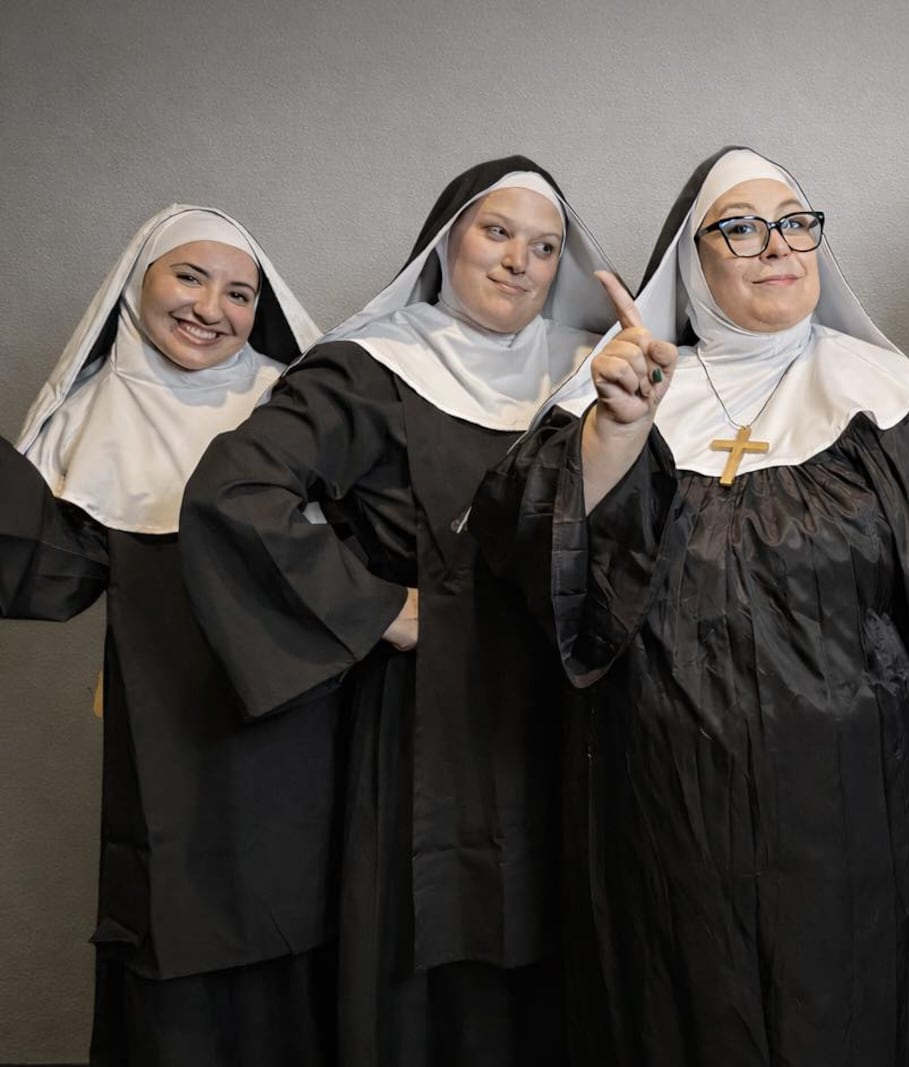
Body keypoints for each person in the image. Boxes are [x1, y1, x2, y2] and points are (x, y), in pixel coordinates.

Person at [470, 146, 909, 1067]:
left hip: (860, 820)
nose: (777, 247)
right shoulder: (617, 393)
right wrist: (618, 435)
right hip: (661, 814)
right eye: (743, 227)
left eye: (796, 223)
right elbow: (536, 566)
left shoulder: (898, 408)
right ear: (694, 260)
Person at [180, 157, 619, 1066]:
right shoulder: (371, 370)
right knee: (428, 991)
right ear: (445, 240)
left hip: (567, 717)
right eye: (496, 232)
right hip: (425, 734)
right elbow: (237, 490)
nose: (519, 263)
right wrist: (375, 607)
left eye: (544, 248)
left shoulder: (593, 378)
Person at [2, 205, 330, 1065]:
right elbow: (48, 575)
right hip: (162, 739)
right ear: (137, 282)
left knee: (300, 940)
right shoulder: (91, 417)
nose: (209, 308)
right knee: (166, 946)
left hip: (300, 734)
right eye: (189, 277)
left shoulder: (296, 407)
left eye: (238, 292)